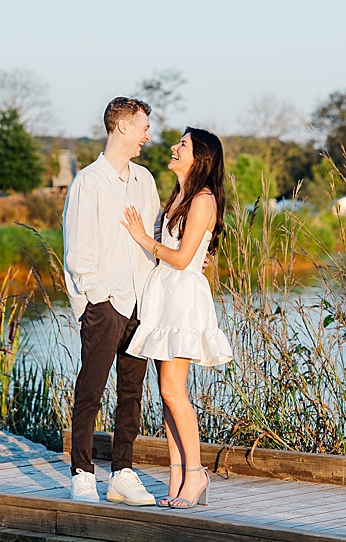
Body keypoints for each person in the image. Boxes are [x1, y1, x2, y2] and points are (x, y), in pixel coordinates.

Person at [120, 126, 233, 509]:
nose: (174, 147)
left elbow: (184, 259)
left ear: (199, 156)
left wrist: (142, 238)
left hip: (182, 299)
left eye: (182, 144)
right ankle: (177, 473)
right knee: (166, 394)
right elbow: (187, 251)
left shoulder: (201, 198)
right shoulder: (181, 195)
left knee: (173, 390)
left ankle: (196, 472)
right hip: (164, 295)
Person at [62, 97, 160, 504]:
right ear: (121, 126)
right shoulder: (88, 182)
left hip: (141, 302)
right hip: (105, 306)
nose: (147, 135)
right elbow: (78, 255)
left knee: (132, 394)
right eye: (142, 127)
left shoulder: (145, 180)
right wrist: (99, 301)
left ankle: (122, 471)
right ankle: (82, 472)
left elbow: (153, 240)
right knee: (91, 389)